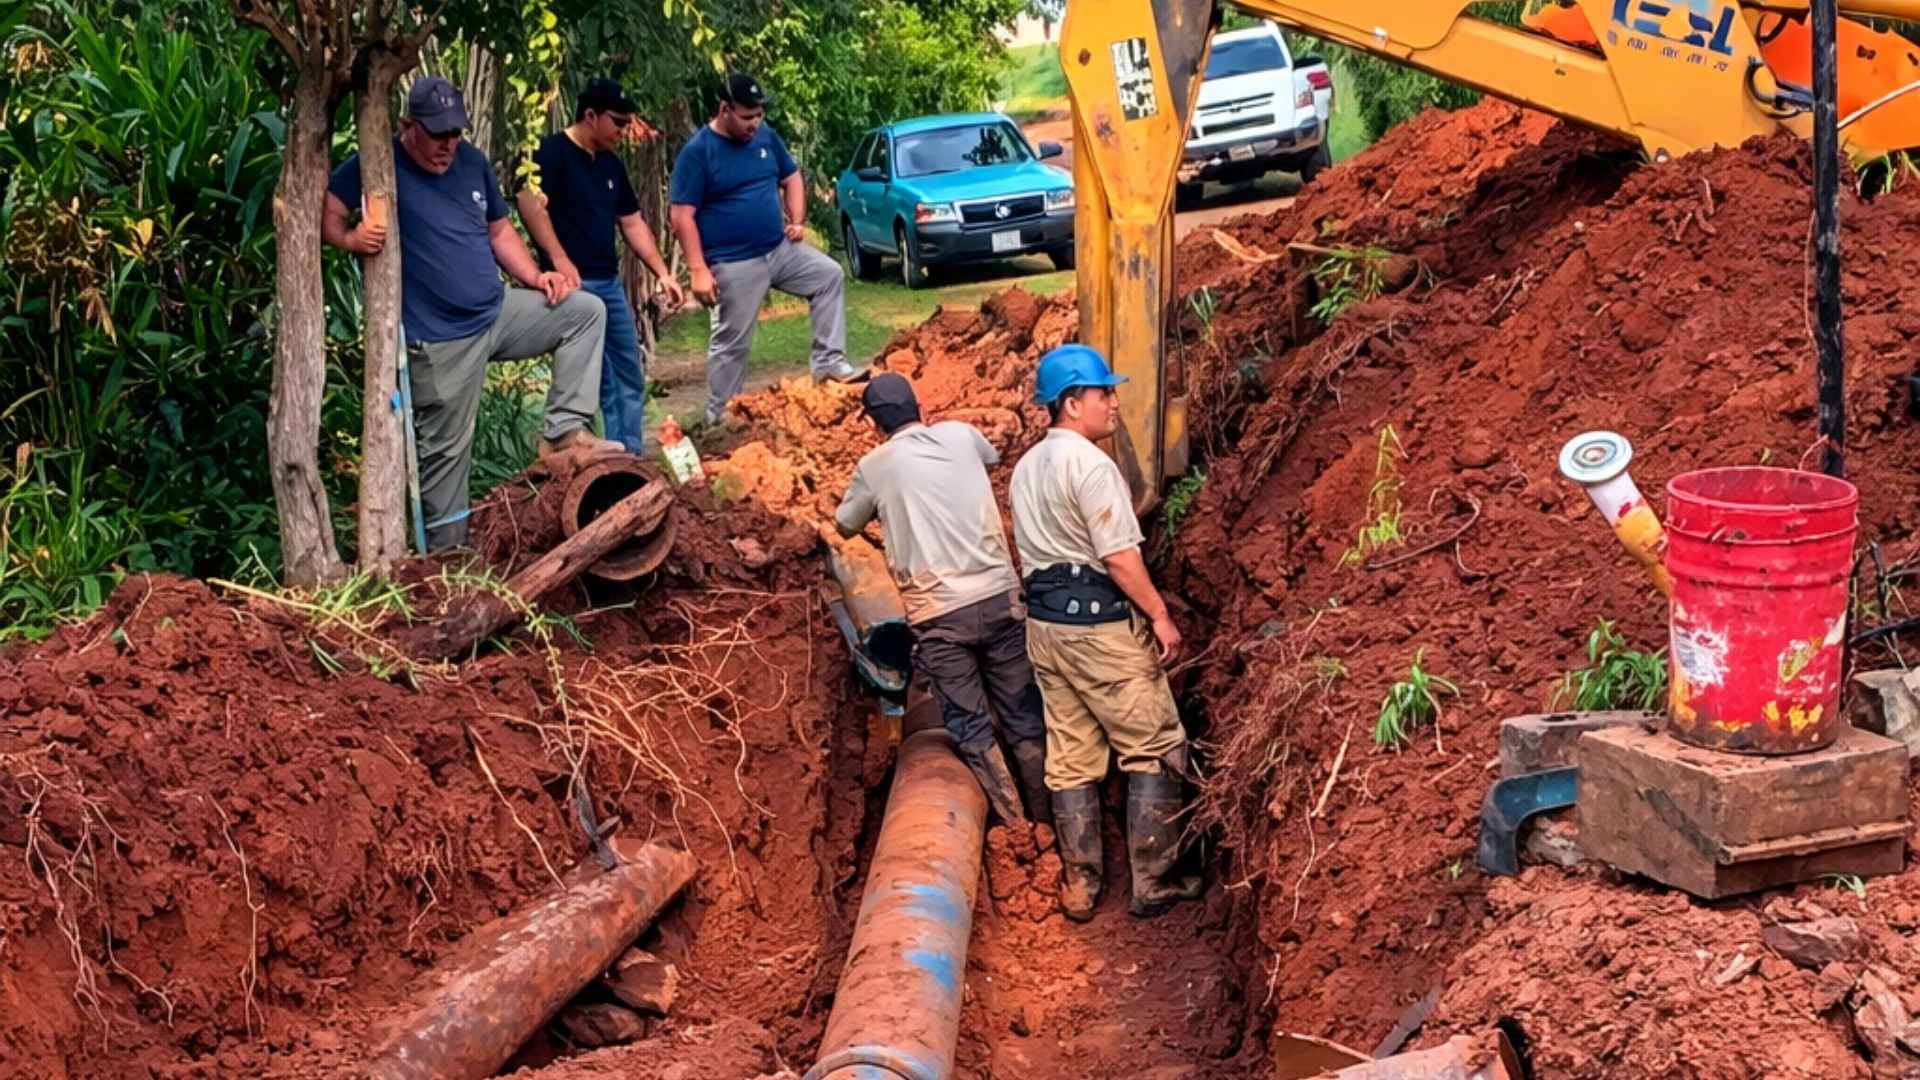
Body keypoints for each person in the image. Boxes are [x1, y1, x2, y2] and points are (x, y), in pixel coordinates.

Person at [324, 76, 617, 550]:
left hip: (496, 312)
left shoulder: (471, 162)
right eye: (438, 134)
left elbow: (499, 232)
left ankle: (563, 432)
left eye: (455, 133)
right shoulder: (378, 165)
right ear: (408, 127)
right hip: (440, 339)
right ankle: (446, 563)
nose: (448, 145)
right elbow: (328, 211)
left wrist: (534, 277)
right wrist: (350, 240)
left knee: (583, 311)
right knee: (446, 458)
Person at [1009, 344, 1203, 921]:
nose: (1115, 403)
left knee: (1070, 755)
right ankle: (1154, 880)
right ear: (1072, 404)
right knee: (1155, 745)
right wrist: (1160, 615)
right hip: (1098, 627)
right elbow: (1119, 558)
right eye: (1104, 394)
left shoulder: (1026, 467)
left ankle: (1081, 884)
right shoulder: (1092, 467)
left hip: (1046, 629)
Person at [834, 374, 1050, 826]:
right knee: (1024, 714)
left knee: (970, 727)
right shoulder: (960, 434)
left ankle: (1016, 830)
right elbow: (991, 457)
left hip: (938, 616)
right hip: (999, 598)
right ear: (920, 405)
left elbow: (844, 526)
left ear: (874, 424)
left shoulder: (875, 466)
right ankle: (1048, 821)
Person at [668, 72, 861, 428]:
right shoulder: (698, 152)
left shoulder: (766, 138)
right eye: (746, 116)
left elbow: (791, 177)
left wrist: (797, 219)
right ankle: (721, 416)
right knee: (732, 340)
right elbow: (681, 215)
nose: (754, 123)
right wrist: (698, 269)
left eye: (759, 115)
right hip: (733, 261)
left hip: (780, 250)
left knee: (828, 275)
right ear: (724, 109)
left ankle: (830, 365)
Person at [517, 77, 687, 455]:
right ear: (590, 116)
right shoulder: (549, 153)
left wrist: (663, 272)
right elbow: (526, 200)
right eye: (618, 122)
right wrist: (559, 260)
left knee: (628, 370)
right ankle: (609, 463)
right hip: (573, 290)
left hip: (608, 285)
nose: (623, 132)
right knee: (605, 381)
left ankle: (631, 456)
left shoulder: (610, 165)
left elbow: (631, 222)